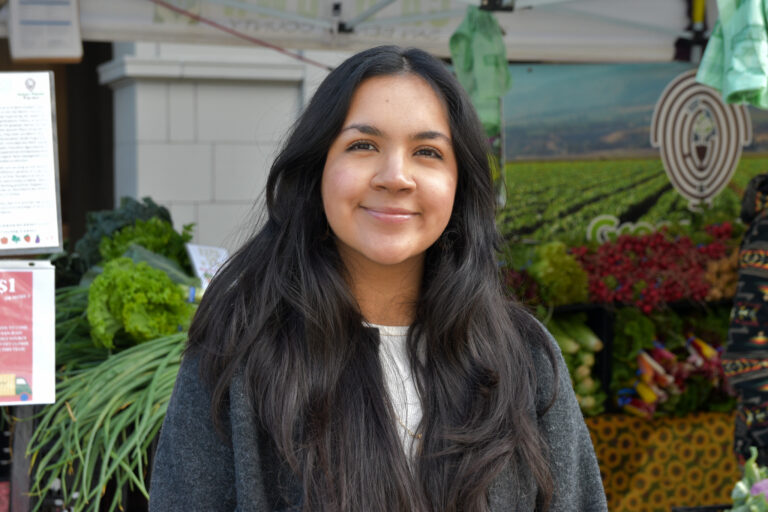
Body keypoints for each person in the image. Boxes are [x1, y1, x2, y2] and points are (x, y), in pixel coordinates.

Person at [148, 45, 607, 512]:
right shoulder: (238, 355)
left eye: (427, 152)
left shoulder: (525, 360)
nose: (396, 177)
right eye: (363, 145)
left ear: (459, 184)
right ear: (317, 169)